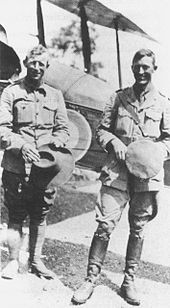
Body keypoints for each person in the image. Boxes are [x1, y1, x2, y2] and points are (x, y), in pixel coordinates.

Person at [72, 49, 170, 305]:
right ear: (132, 67)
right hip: (117, 173)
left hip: (146, 177)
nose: (140, 71)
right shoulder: (117, 99)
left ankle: (128, 281)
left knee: (138, 230)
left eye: (145, 67)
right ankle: (90, 280)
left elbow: (168, 140)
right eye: (136, 66)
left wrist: (153, 151)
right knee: (104, 225)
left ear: (154, 69)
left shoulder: (163, 103)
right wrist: (113, 142)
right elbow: (101, 131)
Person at [0, 44, 70, 279]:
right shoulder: (11, 93)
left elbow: (63, 129)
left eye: (41, 63)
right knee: (16, 214)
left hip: (45, 168)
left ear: (47, 66)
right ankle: (12, 261)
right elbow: (2, 130)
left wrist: (55, 144)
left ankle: (36, 260)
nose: (37, 67)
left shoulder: (55, 95)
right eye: (33, 62)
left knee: (40, 214)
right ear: (25, 63)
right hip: (16, 166)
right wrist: (22, 145)